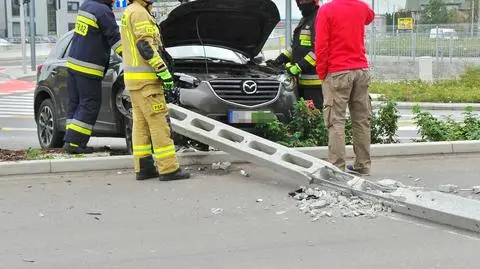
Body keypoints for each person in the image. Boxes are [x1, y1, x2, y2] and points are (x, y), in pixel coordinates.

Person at [120, 0, 190, 181]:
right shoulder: (140, 13)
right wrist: (163, 71)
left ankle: (143, 167)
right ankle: (168, 168)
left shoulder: (130, 11)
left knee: (141, 125)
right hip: (147, 82)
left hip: (135, 82)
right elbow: (145, 46)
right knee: (160, 124)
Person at [314, 0, 375, 175]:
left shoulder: (327, 10)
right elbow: (369, 17)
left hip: (338, 71)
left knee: (336, 121)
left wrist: (322, 73)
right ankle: (362, 165)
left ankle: (337, 168)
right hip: (361, 71)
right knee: (361, 120)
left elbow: (321, 45)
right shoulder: (362, 7)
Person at [64, 0, 122, 154]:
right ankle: (76, 143)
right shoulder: (103, 11)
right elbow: (116, 40)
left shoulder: (86, 5)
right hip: (88, 67)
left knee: (75, 104)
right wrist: (131, 57)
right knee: (89, 104)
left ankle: (70, 141)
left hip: (73, 64)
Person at [266, 0, 323, 109]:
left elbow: (318, 50)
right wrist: (279, 60)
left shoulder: (318, 18)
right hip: (301, 81)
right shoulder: (305, 19)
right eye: (299, 2)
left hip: (314, 82)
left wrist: (299, 67)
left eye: (304, 1)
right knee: (304, 114)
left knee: (314, 115)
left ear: (314, 2)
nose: (301, 4)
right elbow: (296, 47)